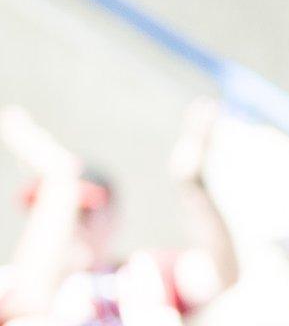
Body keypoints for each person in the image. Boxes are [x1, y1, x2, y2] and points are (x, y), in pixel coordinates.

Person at [0, 102, 240, 324]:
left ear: (112, 216)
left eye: (84, 213)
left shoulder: (142, 275)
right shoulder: (14, 284)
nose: (72, 225)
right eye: (54, 215)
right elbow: (29, 300)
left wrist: (193, 186)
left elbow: (221, 274)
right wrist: (61, 178)